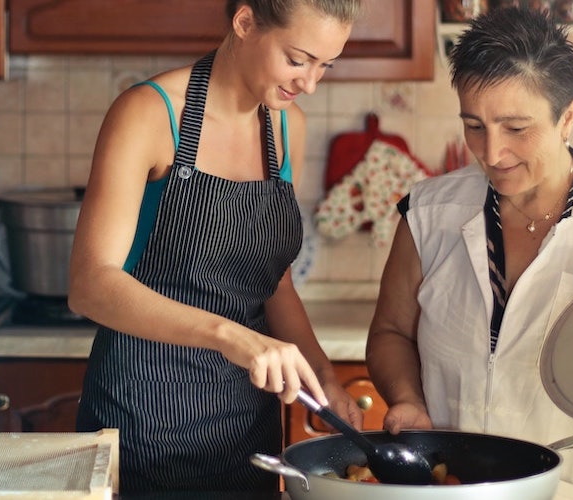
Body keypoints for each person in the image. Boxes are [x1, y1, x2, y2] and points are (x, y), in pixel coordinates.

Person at [365, 7, 573, 499]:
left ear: (568, 118)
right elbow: (390, 332)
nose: (492, 153)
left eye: (516, 128)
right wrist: (407, 398)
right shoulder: (427, 215)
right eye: (474, 125)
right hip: (459, 487)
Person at [66, 0, 364, 494]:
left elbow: (275, 284)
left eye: (324, 66)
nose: (309, 83)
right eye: (297, 60)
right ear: (245, 23)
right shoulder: (149, 113)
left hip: (248, 432)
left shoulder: (288, 125)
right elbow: (90, 285)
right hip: (142, 420)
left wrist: (324, 377)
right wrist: (231, 337)